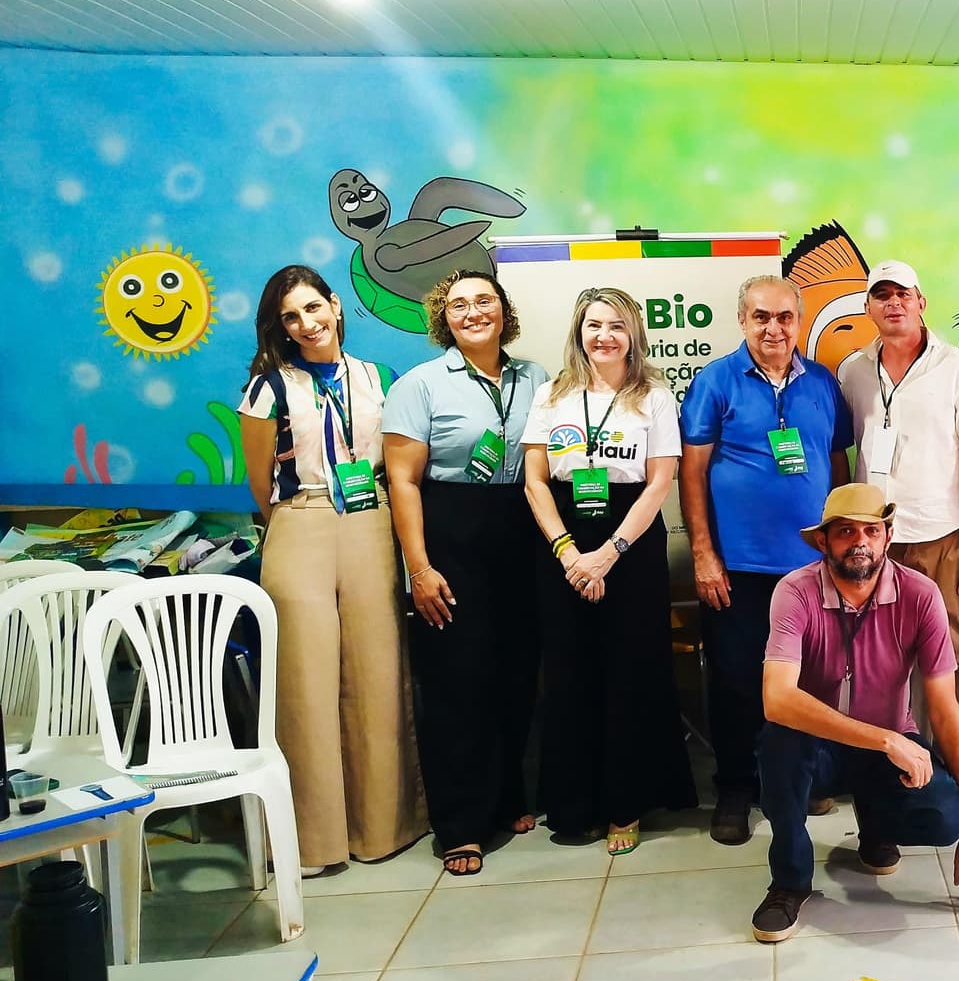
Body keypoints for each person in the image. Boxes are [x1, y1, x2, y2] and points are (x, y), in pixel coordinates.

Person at [237, 265, 426, 876]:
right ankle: (313, 841)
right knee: (305, 680)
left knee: (378, 671)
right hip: (301, 520)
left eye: (313, 308)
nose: (306, 324)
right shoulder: (267, 387)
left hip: (371, 518)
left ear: (336, 306)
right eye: (291, 317)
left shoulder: (379, 378)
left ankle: (383, 828)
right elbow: (260, 483)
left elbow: (399, 463)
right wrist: (298, 519)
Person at [750, 484, 959, 942]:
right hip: (818, 747)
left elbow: (946, 712)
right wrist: (885, 739)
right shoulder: (795, 591)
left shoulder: (920, 594)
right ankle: (789, 881)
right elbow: (777, 698)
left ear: (888, 537)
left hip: (888, 748)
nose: (859, 541)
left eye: (871, 530)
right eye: (845, 531)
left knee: (947, 815)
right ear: (823, 541)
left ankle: (875, 824)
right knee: (779, 745)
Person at [383, 269, 549, 877]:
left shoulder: (536, 378)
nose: (474, 312)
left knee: (515, 675)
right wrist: (419, 567)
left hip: (522, 531)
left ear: (504, 310)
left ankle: (506, 798)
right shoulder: (420, 385)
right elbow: (402, 480)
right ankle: (459, 823)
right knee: (458, 682)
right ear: (443, 317)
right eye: (459, 305)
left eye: (485, 300)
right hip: (451, 534)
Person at [522, 287, 694, 855]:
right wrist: (569, 552)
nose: (605, 336)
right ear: (579, 332)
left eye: (617, 326)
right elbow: (535, 482)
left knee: (630, 672)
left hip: (631, 543)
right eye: (594, 325)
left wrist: (609, 553)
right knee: (570, 672)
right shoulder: (551, 395)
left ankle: (626, 803)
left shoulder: (655, 398)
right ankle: (576, 803)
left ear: (634, 336)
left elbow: (661, 482)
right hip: (563, 540)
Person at [682, 275, 853, 844]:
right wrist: (703, 553)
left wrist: (843, 546)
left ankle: (802, 778)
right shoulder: (715, 381)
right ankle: (736, 788)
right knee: (736, 680)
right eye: (761, 317)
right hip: (738, 569)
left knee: (812, 678)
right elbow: (691, 472)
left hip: (811, 568)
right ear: (742, 320)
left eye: (784, 317)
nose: (774, 328)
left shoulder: (823, 383)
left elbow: (837, 463)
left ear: (798, 321)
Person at [839, 261, 959, 822]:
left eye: (902, 294)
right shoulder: (853, 371)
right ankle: (889, 768)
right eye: (881, 295)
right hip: (872, 541)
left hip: (941, 538)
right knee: (873, 661)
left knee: (950, 657)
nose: (893, 304)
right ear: (869, 308)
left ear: (920, 301)